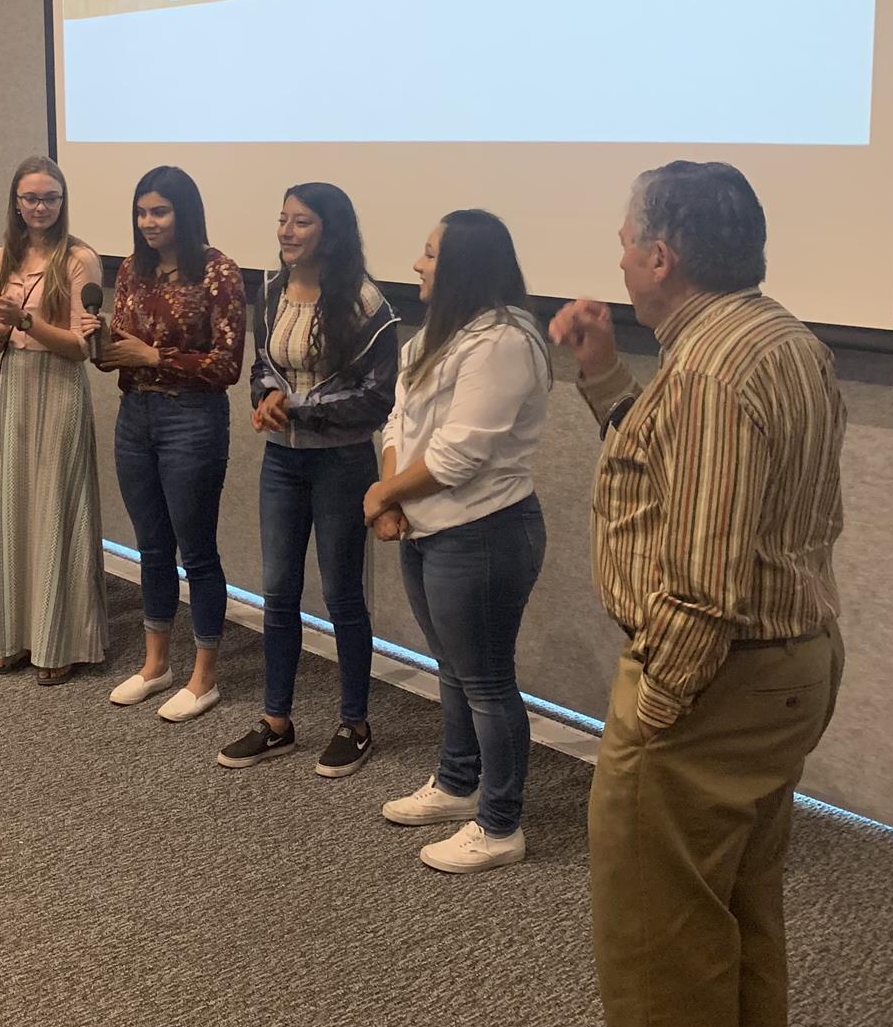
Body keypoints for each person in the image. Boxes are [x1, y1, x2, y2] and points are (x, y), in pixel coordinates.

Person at [549, 161, 846, 1027]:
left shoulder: (710, 371)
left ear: (661, 256)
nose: (620, 261)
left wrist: (654, 708)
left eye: (626, 244)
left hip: (712, 684)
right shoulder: (783, 340)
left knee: (660, 956)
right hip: (786, 667)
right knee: (736, 914)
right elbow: (681, 476)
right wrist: (604, 376)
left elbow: (703, 583)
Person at [364, 211, 551, 874]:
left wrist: (383, 496)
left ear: (465, 264)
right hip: (428, 527)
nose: (417, 264)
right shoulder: (436, 335)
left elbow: (460, 453)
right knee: (453, 666)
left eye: (430, 253)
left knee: (488, 680)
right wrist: (390, 495)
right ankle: (457, 781)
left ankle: (500, 825)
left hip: (484, 532)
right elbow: (398, 421)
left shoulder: (504, 340)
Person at [219, 182, 399, 776]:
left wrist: (296, 407)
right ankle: (276, 721)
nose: (286, 231)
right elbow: (262, 365)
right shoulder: (272, 291)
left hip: (342, 463)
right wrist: (265, 396)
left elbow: (376, 399)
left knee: (343, 595)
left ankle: (355, 723)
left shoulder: (367, 304)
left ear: (331, 230)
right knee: (278, 593)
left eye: (301, 221)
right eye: (283, 219)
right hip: (282, 462)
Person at [94, 166, 245, 722]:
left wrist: (155, 356)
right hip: (136, 415)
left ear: (185, 212)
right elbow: (123, 346)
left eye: (159, 211)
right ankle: (155, 664)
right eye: (141, 212)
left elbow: (227, 365)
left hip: (192, 418)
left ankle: (204, 676)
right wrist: (103, 345)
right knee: (151, 547)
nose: (148, 222)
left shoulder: (219, 271)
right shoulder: (132, 269)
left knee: (196, 550)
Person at [0, 156, 105, 686]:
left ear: (62, 201)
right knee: (13, 508)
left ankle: (60, 641)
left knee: (56, 509)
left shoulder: (79, 259)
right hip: (15, 386)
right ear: (16, 202)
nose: (40, 207)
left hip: (59, 384)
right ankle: (12, 635)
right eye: (31, 198)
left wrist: (25, 319)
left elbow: (79, 348)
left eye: (50, 198)